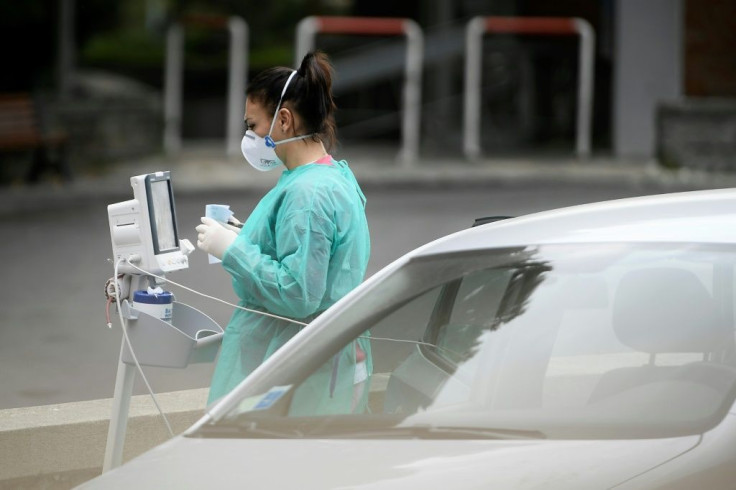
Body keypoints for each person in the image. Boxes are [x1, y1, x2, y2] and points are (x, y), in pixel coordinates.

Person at [196, 51, 371, 414]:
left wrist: (234, 250)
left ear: (285, 120)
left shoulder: (308, 194)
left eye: (253, 125)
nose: (250, 136)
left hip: (300, 370)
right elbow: (314, 252)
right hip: (321, 361)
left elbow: (299, 293)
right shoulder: (328, 175)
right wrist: (249, 235)